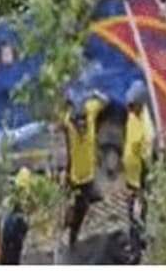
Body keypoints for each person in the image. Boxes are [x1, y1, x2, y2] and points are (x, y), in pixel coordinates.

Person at [61, 91, 106, 248]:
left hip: (89, 175)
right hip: (76, 177)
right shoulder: (68, 123)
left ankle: (72, 232)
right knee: (77, 207)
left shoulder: (91, 111)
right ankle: (70, 234)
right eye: (78, 125)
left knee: (84, 206)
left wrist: (93, 93)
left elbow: (105, 100)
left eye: (84, 124)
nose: (82, 128)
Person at [122, 81, 154, 261]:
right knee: (131, 214)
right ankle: (134, 246)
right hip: (131, 177)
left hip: (140, 179)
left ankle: (139, 251)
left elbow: (146, 158)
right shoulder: (132, 116)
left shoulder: (147, 127)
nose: (130, 108)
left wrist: (141, 186)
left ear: (141, 103)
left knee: (139, 214)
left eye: (132, 105)